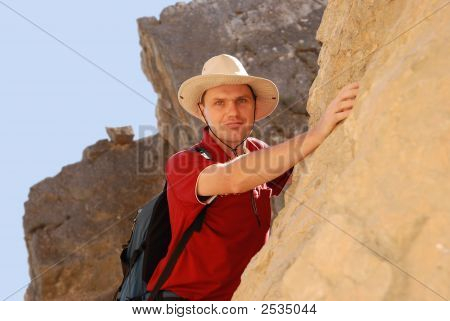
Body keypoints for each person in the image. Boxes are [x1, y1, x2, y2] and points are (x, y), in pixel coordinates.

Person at [146, 54, 360, 300]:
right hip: (185, 300)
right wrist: (317, 132)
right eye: (219, 103)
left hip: (247, 296)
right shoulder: (184, 163)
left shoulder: (259, 150)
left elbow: (305, 177)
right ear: (202, 110)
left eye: (242, 100)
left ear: (254, 106)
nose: (233, 112)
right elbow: (233, 178)